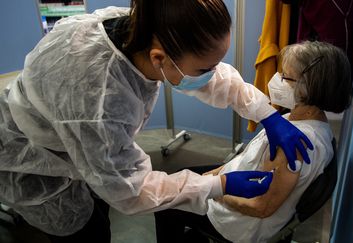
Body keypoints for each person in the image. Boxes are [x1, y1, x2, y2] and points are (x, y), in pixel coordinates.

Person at [0, 0, 314, 242]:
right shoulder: (101, 100)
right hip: (32, 159)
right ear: (159, 58)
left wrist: (267, 114)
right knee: (86, 230)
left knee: (97, 201)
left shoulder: (141, 28)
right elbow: (128, 189)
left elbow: (214, 79)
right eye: (203, 69)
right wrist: (217, 185)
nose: (212, 75)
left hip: (73, 133)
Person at [154, 40, 352, 243]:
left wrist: (214, 188)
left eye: (284, 76)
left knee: (166, 201)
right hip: (235, 180)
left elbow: (260, 207)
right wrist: (216, 174)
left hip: (236, 223)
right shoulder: (311, 121)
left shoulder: (295, 146)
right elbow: (251, 159)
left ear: (310, 87)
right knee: (181, 177)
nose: (276, 80)